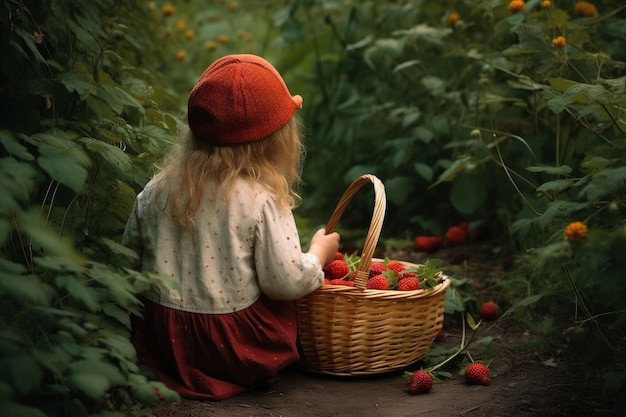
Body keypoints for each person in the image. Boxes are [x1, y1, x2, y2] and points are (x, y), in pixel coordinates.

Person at [122, 54, 340, 401]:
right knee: (286, 301)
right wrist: (318, 254)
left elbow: (128, 260)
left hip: (163, 343)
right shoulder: (260, 198)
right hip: (233, 350)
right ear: (278, 138)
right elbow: (284, 281)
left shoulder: (157, 189)